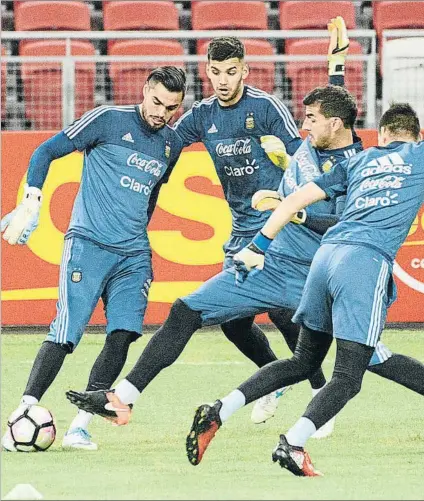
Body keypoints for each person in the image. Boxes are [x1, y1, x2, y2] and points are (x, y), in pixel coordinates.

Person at [65, 26, 424, 434]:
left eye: (311, 119)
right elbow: (332, 106)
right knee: (187, 310)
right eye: (305, 118)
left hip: (315, 273)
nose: (302, 126)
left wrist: (294, 213)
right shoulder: (311, 143)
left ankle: (316, 402)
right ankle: (121, 399)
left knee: (366, 358)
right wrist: (337, 65)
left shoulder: (353, 165)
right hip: (266, 262)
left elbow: (342, 222)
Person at [183, 103, 424, 476]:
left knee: (305, 361)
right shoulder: (420, 156)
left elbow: (292, 202)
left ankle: (219, 409)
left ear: (385, 134)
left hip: (324, 260)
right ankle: (292, 443)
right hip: (364, 264)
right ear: (415, 135)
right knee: (348, 376)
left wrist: (257, 246)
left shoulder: (358, 162)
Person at [1, 66, 187, 451]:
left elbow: (151, 194)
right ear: (145, 91)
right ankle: (23, 412)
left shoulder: (171, 144)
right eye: (156, 102)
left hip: (134, 253)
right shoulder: (107, 119)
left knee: (122, 335)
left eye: (170, 107)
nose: (161, 113)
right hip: (88, 243)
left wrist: (134, 229)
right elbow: (46, 150)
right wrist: (32, 201)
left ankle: (80, 425)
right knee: (66, 334)